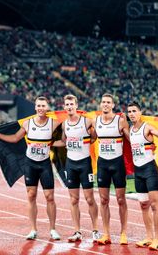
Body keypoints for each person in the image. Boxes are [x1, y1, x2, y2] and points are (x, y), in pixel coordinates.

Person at [0, 96, 62, 241]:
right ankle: (33, 229)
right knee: (31, 195)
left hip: (44, 164)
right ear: (35, 108)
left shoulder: (54, 124)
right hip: (30, 164)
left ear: (47, 108)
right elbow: (15, 138)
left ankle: (53, 229)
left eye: (43, 106)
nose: (41, 108)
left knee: (50, 197)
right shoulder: (28, 123)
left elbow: (65, 135)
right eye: (38, 106)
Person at [127, 101, 158, 251]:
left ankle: (157, 239)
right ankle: (148, 237)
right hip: (138, 172)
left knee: (154, 204)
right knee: (143, 205)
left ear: (140, 112)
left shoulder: (146, 127)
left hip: (150, 170)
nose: (132, 114)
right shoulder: (130, 129)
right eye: (129, 112)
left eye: (134, 111)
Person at [57, 94, 101, 243]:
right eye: (67, 104)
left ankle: (95, 230)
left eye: (71, 104)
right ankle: (77, 231)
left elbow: (94, 138)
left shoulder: (87, 121)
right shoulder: (64, 124)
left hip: (84, 164)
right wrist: (46, 144)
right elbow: (64, 140)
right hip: (71, 164)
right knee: (73, 199)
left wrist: (92, 135)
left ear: (76, 106)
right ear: (64, 107)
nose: (69, 107)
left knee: (89, 199)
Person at [93, 93, 130, 245]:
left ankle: (123, 232)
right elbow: (91, 137)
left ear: (113, 105)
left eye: (109, 102)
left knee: (121, 199)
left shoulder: (120, 121)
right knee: (103, 200)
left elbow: (131, 139)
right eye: (103, 102)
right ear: (100, 105)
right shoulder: (96, 121)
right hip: (103, 164)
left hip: (117, 164)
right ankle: (106, 233)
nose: (106, 104)